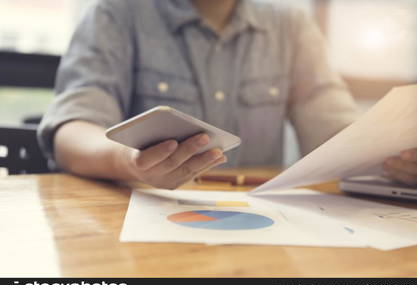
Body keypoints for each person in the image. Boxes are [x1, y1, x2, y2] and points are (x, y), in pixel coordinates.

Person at [37, 0, 417, 189]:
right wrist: (127, 162)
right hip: (139, 219)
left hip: (261, 222)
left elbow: (336, 129)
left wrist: (394, 151)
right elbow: (71, 129)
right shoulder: (116, 13)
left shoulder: (292, 27)